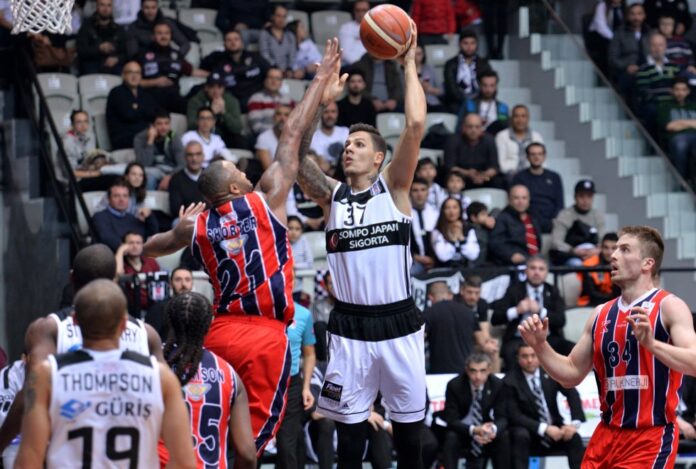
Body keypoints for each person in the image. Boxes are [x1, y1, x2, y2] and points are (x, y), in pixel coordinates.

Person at [142, 39, 345, 453]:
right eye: (237, 169)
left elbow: (148, 248)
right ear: (234, 188)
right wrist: (320, 80)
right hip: (264, 334)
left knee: (210, 425)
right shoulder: (264, 201)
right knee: (249, 442)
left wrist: (179, 227)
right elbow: (291, 136)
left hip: (219, 331)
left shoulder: (196, 226)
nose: (245, 170)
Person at [297, 25, 428, 468]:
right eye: (347, 144)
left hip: (398, 321)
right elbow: (294, 156)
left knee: (409, 439)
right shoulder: (330, 195)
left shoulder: (395, 187)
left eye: (359, 145)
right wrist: (321, 98)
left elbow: (415, 125)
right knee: (350, 441)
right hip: (349, 327)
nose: (348, 149)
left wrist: (408, 63)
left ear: (378, 158)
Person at [518, 225, 696, 468]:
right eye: (614, 249)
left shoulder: (669, 306)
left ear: (647, 263)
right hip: (606, 434)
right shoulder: (600, 313)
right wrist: (540, 346)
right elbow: (570, 374)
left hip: (650, 436)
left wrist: (652, 344)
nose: (613, 255)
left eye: (624, 250)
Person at [14, 280, 196, 469]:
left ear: (75, 321)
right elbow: (184, 463)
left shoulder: (46, 376)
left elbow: (28, 462)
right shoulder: (161, 378)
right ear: (124, 325)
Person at [159, 291, 257, 469]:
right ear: (208, 325)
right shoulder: (229, 374)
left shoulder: (150, 364)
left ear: (169, 321)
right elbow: (248, 454)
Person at [505, 344, 586, 469]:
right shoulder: (510, 380)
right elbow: (515, 415)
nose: (529, 360)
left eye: (533, 355)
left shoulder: (551, 373)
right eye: (525, 356)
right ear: (518, 358)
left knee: (574, 438)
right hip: (530, 432)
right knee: (520, 436)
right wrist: (545, 428)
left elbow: (572, 393)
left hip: (556, 428)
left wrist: (574, 424)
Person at [492, 256, 571, 369]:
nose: (536, 272)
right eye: (533, 268)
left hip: (547, 338)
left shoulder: (552, 290)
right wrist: (517, 310)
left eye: (541, 269)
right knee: (509, 352)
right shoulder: (514, 290)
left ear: (546, 272)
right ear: (526, 270)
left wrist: (540, 311)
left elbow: (561, 320)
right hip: (519, 338)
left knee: (571, 348)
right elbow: (495, 318)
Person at [440, 353, 510, 469]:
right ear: (467, 370)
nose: (478, 376)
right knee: (451, 438)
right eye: (473, 371)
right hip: (464, 431)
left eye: (482, 371)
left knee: (504, 436)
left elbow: (503, 416)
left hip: (487, 431)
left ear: (489, 370)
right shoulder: (455, 385)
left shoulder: (497, 384)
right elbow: (451, 419)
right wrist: (474, 430)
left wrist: (492, 430)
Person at [275, 302, 316, 469]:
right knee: (255, 444)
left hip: (291, 384)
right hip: (261, 383)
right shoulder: (258, 309)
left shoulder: (303, 314)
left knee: (287, 444)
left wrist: (306, 387)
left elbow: (309, 354)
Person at [138, 22, 207, 114]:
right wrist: (155, 82)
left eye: (167, 33)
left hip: (173, 98)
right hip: (150, 97)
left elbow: (192, 71)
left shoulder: (176, 55)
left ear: (171, 36)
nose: (164, 36)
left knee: (195, 109)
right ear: (153, 36)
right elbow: (132, 80)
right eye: (160, 33)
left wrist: (213, 75)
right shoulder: (142, 55)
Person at [424, 282, 492, 373]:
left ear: (430, 297)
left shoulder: (428, 313)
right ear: (450, 295)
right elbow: (481, 342)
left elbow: (420, 339)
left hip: (439, 371)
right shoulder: (469, 312)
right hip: (466, 370)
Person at [200, 30, 270, 111]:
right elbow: (201, 69)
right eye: (229, 40)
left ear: (242, 43)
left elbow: (270, 72)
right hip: (231, 100)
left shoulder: (255, 57)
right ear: (224, 44)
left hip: (257, 98)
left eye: (236, 39)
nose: (233, 43)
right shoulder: (217, 59)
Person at [550, 179, 607, 266]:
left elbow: (603, 240)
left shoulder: (598, 215)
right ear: (575, 197)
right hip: (571, 256)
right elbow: (556, 242)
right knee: (577, 264)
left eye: (589, 196)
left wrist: (597, 250)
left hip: (594, 255)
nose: (585, 200)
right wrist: (573, 250)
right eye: (581, 196)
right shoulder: (565, 215)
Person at [511, 142, 564, 234]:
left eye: (540, 154)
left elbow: (559, 203)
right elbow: (517, 203)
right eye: (533, 154)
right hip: (528, 220)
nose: (536, 157)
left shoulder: (554, 177)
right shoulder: (519, 177)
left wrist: (555, 220)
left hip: (552, 221)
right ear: (527, 157)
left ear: (544, 156)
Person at [93, 179, 159, 252]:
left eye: (125, 196)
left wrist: (149, 217)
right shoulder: (100, 217)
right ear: (109, 199)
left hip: (136, 256)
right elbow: (107, 238)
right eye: (116, 196)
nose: (121, 199)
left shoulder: (132, 218)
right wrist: (131, 249)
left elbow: (150, 235)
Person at [444, 113, 505, 190]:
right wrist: (467, 173)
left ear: (482, 128)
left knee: (499, 181)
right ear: (463, 128)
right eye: (470, 127)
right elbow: (450, 167)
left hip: (484, 177)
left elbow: (494, 167)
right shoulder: (453, 141)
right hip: (462, 176)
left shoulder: (489, 140)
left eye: (477, 127)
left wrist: (484, 175)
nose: (474, 130)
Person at [106, 61, 158, 150]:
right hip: (123, 137)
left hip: (143, 134)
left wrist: (137, 108)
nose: (134, 76)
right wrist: (143, 111)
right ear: (123, 75)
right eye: (131, 72)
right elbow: (129, 115)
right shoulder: (116, 92)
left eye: (137, 73)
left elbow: (152, 113)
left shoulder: (145, 93)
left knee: (167, 134)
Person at [635, 32, 680, 131]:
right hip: (655, 105)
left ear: (665, 47)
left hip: (674, 103)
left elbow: (680, 86)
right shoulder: (643, 69)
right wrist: (663, 104)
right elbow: (644, 92)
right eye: (654, 45)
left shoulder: (674, 66)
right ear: (649, 47)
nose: (657, 48)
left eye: (660, 45)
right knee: (651, 110)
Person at [186, 72, 245, 149]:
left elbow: (237, 128)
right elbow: (191, 126)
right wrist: (211, 113)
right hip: (203, 135)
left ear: (224, 88)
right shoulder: (195, 101)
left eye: (219, 87)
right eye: (212, 86)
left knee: (241, 141)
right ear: (206, 87)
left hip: (225, 135)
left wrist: (224, 112)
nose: (216, 91)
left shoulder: (231, 101)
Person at [489, 184, 542, 265]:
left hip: (535, 261)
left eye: (524, 198)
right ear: (509, 200)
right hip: (514, 263)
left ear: (529, 199)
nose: (521, 202)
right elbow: (495, 243)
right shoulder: (502, 218)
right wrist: (511, 255)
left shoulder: (534, 217)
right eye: (516, 198)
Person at [133, 109, 185, 190]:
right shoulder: (140, 138)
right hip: (150, 172)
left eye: (166, 123)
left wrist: (169, 176)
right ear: (152, 125)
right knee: (149, 179)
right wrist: (150, 140)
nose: (164, 127)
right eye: (159, 124)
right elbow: (144, 164)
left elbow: (182, 164)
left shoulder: (173, 136)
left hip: (170, 171)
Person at [657, 76, 696, 182]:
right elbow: (669, 126)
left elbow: (675, 124)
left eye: (683, 90)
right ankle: (680, 181)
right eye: (677, 89)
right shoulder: (665, 106)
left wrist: (679, 122)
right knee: (680, 144)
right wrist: (692, 123)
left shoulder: (694, 106)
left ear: (688, 92)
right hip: (676, 137)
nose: (680, 93)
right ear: (672, 91)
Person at [444, 30, 492, 113]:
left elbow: (488, 83)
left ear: (476, 44)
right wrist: (467, 100)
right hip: (458, 103)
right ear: (460, 44)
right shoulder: (451, 64)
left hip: (479, 100)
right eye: (465, 43)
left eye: (472, 43)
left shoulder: (484, 64)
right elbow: (451, 89)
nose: (469, 47)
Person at [75, 0, 127, 75]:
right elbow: (80, 50)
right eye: (102, 5)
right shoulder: (86, 27)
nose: (105, 9)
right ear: (97, 7)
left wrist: (117, 59)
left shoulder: (118, 29)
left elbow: (126, 52)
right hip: (91, 65)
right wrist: (99, 48)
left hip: (113, 67)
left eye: (109, 5)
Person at [608, 4, 650, 96]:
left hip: (648, 70)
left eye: (639, 14)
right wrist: (626, 66)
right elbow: (612, 58)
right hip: (627, 72)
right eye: (632, 14)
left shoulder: (650, 32)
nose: (636, 17)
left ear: (644, 15)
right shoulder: (619, 33)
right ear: (628, 16)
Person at [115, 231, 162, 313]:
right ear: (124, 245)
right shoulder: (121, 263)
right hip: (129, 309)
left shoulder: (151, 262)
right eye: (131, 243)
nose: (135, 246)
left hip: (153, 308)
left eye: (138, 243)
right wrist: (120, 251)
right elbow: (117, 274)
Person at [495, 104, 544, 179]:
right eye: (516, 116)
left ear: (528, 118)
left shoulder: (536, 136)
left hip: (532, 173)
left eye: (523, 116)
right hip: (510, 175)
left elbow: (542, 160)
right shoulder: (502, 136)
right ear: (511, 119)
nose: (520, 120)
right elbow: (501, 164)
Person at [430, 197, 480, 268]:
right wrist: (453, 239)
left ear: (460, 210)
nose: (451, 211)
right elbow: (442, 256)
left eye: (455, 207)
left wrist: (462, 239)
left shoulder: (468, 229)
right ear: (443, 211)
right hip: (444, 270)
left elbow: (473, 255)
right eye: (447, 208)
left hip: (464, 269)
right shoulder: (437, 231)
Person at [458, 69, 509, 135]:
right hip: (474, 136)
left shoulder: (503, 107)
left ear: (496, 86)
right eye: (485, 85)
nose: (488, 89)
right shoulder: (469, 104)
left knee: (499, 124)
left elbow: (506, 129)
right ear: (479, 85)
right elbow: (459, 127)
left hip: (496, 137)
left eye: (492, 86)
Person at [247, 67, 295, 136]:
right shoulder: (256, 99)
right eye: (271, 77)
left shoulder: (289, 100)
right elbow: (257, 127)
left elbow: (296, 124)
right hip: (264, 138)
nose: (274, 81)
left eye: (278, 78)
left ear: (281, 82)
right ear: (265, 80)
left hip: (287, 137)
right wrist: (278, 132)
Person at [578, 232, 620, 307]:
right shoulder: (589, 264)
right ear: (601, 248)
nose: (609, 252)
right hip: (589, 305)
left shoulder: (622, 265)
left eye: (614, 248)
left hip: (614, 304)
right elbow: (591, 294)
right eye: (606, 248)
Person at [168, 141, 206, 220]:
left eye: (198, 154)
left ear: (203, 156)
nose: (194, 158)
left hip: (209, 218)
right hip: (186, 219)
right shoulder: (176, 180)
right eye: (190, 155)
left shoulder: (210, 176)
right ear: (185, 157)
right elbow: (176, 210)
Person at [410, 177, 438, 275]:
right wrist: (415, 257)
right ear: (409, 193)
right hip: (413, 262)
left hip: (436, 262)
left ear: (428, 192)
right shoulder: (403, 215)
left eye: (423, 190)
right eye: (415, 190)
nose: (419, 194)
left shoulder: (436, 214)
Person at [259, 6, 296, 77]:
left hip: (288, 72)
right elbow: (264, 55)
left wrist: (289, 69)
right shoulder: (264, 34)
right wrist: (276, 68)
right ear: (272, 17)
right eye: (278, 16)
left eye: (284, 16)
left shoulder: (290, 35)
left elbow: (292, 56)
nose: (281, 19)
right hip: (270, 71)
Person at [310, 101, 349, 168]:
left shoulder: (345, 132)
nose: (330, 115)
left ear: (337, 113)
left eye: (333, 111)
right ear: (320, 114)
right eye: (326, 112)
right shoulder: (313, 137)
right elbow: (322, 166)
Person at [255, 104, 292, 171]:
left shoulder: (298, 138)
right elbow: (268, 169)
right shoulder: (263, 138)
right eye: (279, 114)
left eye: (286, 115)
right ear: (273, 118)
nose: (282, 118)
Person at [414, 45, 446, 112]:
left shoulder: (430, 68)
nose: (416, 57)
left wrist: (429, 89)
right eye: (414, 54)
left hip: (432, 102)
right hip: (413, 103)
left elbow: (442, 91)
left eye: (419, 54)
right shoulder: (403, 70)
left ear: (423, 55)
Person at [339, 1, 369, 66]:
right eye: (358, 10)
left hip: (370, 65)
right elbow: (345, 53)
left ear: (369, 11)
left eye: (364, 10)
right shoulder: (346, 28)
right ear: (354, 12)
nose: (361, 13)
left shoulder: (376, 28)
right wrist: (359, 64)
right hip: (351, 65)